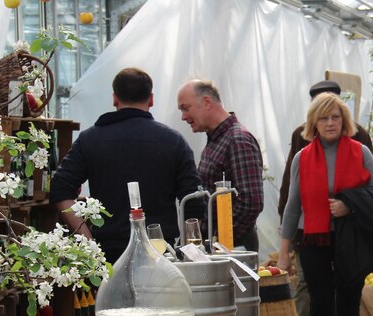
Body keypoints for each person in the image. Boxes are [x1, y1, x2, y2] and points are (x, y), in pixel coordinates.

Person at [277, 92, 373, 316]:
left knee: (349, 305)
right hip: (313, 240)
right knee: (322, 307)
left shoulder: (360, 152)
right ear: (314, 123)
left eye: (335, 117)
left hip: (351, 240)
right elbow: (293, 206)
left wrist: (349, 206)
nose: (330, 123)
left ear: (344, 121)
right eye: (324, 118)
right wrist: (284, 251)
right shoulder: (302, 157)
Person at [50, 68, 202, 263]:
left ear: (115, 99)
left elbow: (60, 190)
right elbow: (193, 202)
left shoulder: (90, 140)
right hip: (161, 253)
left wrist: (88, 242)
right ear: (151, 99)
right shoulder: (173, 141)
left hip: (108, 255)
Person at [177, 79, 264, 250]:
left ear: (207, 102)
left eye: (186, 108)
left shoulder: (238, 140)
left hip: (233, 250)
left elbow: (251, 202)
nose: (183, 117)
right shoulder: (218, 139)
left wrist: (219, 241)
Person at [278, 80, 373, 217]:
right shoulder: (302, 134)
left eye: (334, 115)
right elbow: (290, 178)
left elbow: (372, 183)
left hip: (351, 218)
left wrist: (352, 204)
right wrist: (284, 216)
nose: (329, 123)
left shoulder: (357, 134)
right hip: (311, 216)